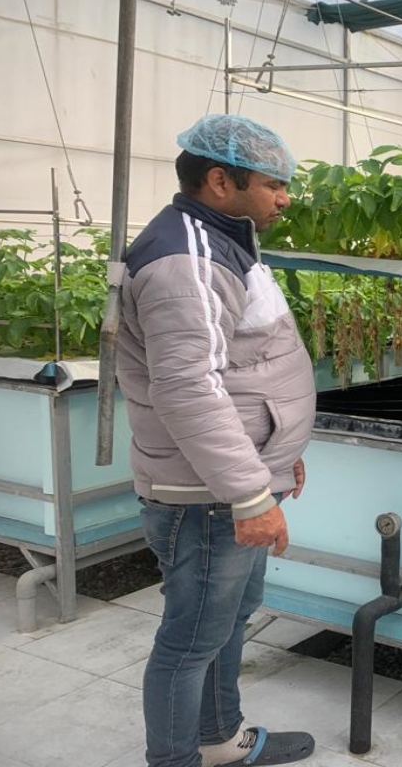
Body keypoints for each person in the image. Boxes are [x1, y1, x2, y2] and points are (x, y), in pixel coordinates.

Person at [115, 114, 318, 767]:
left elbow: (244, 366)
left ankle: (219, 741)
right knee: (190, 640)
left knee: (228, 619)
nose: (284, 197)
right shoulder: (187, 262)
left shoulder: (217, 239)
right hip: (203, 494)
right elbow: (188, 390)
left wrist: (277, 456)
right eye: (273, 184)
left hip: (228, 480)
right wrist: (250, 494)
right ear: (219, 181)